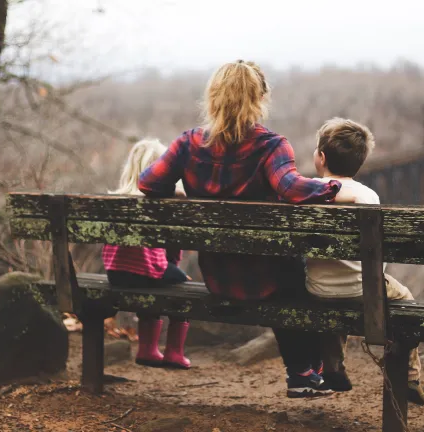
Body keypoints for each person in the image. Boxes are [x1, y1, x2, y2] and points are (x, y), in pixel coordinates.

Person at [138, 60, 341, 398]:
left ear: (213, 98)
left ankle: (306, 372)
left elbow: (148, 183)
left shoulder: (188, 144)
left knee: (286, 269)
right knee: (294, 271)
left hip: (218, 277)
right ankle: (304, 372)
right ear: (260, 98)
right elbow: (291, 188)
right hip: (269, 279)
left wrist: (178, 192)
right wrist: (332, 187)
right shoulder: (271, 146)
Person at [306, 117, 424, 405]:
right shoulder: (368, 196)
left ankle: (333, 366)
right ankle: (410, 374)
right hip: (364, 290)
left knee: (333, 300)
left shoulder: (307, 192)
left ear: (321, 158)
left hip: (317, 289)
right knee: (406, 298)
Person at [102, 139, 192, 369]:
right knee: (183, 286)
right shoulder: (162, 201)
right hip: (148, 272)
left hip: (115, 274)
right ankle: (173, 352)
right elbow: (172, 247)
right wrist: (174, 267)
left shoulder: (116, 200)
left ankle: (148, 349)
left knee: (153, 279)